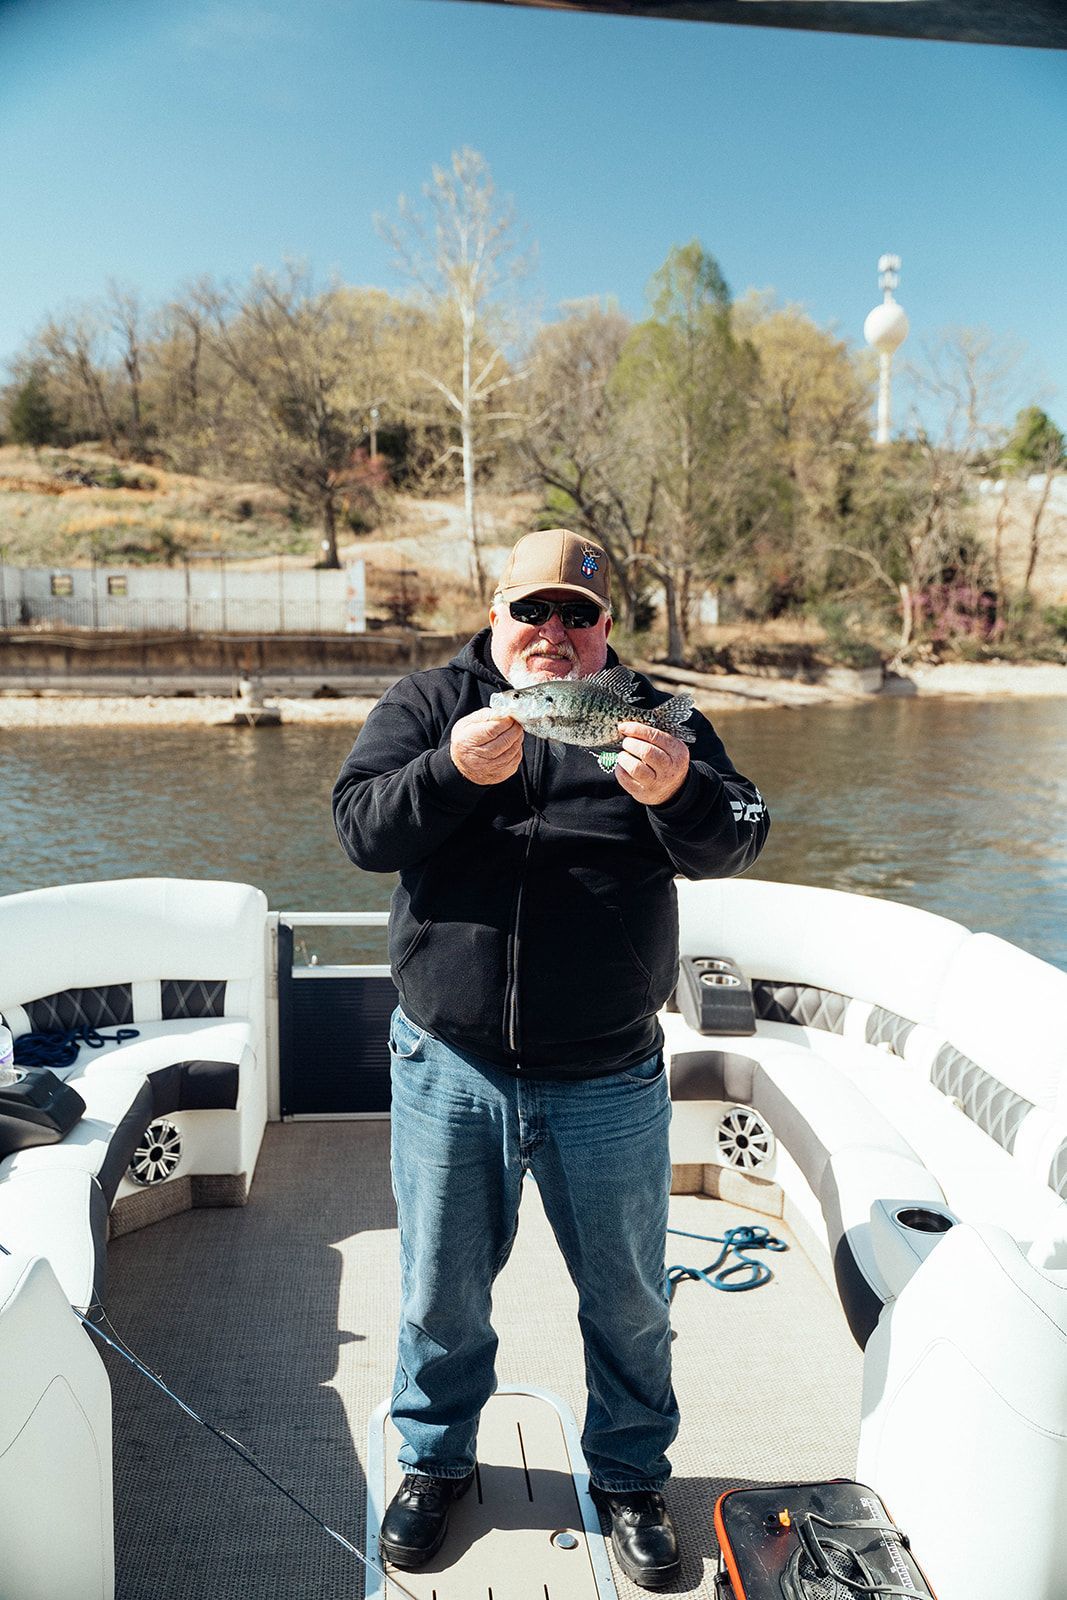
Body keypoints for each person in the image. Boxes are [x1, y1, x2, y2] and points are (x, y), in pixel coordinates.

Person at [332, 528, 769, 1589]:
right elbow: (359, 828)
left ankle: (626, 1477)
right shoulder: (429, 703)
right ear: (496, 614)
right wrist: (447, 774)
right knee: (438, 1290)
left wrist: (679, 796)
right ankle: (433, 1463)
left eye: (578, 615)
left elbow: (742, 831)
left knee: (627, 1298)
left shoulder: (656, 711)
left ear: (605, 631)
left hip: (609, 1073)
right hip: (450, 1063)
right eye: (534, 611)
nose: (554, 633)